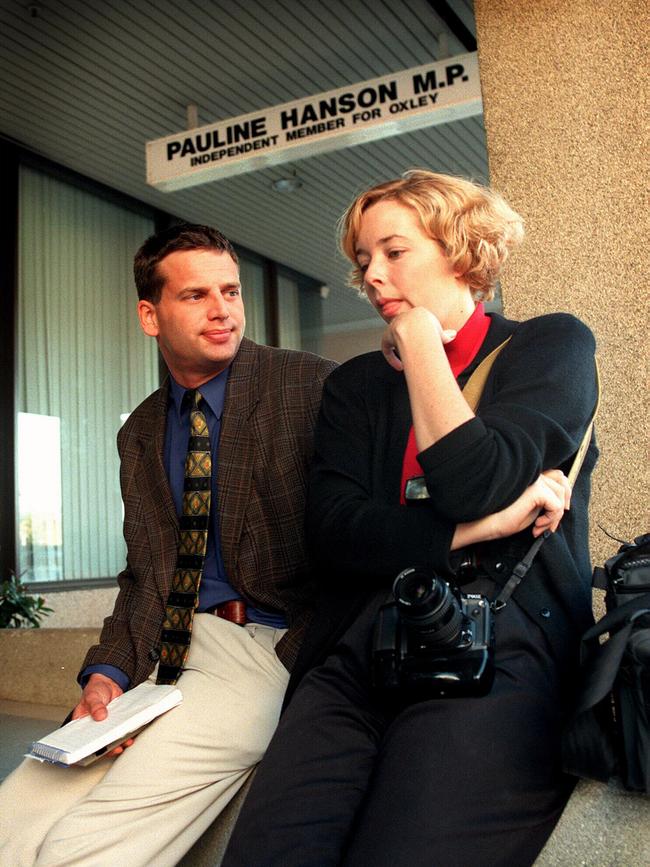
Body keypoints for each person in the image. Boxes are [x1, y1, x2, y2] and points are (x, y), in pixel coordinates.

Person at [222, 171, 599, 867]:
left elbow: (473, 477)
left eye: (394, 252)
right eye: (364, 259)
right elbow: (334, 531)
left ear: (461, 248)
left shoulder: (553, 347)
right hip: (364, 642)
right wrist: (471, 531)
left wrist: (422, 339)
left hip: (500, 646)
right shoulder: (356, 385)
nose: (373, 274)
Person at [0, 223, 336, 866]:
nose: (222, 310)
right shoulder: (142, 431)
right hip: (167, 655)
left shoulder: (310, 387)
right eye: (196, 295)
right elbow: (145, 573)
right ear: (149, 316)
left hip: (269, 652)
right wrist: (106, 675)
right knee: (16, 815)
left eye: (231, 291)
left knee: (80, 849)